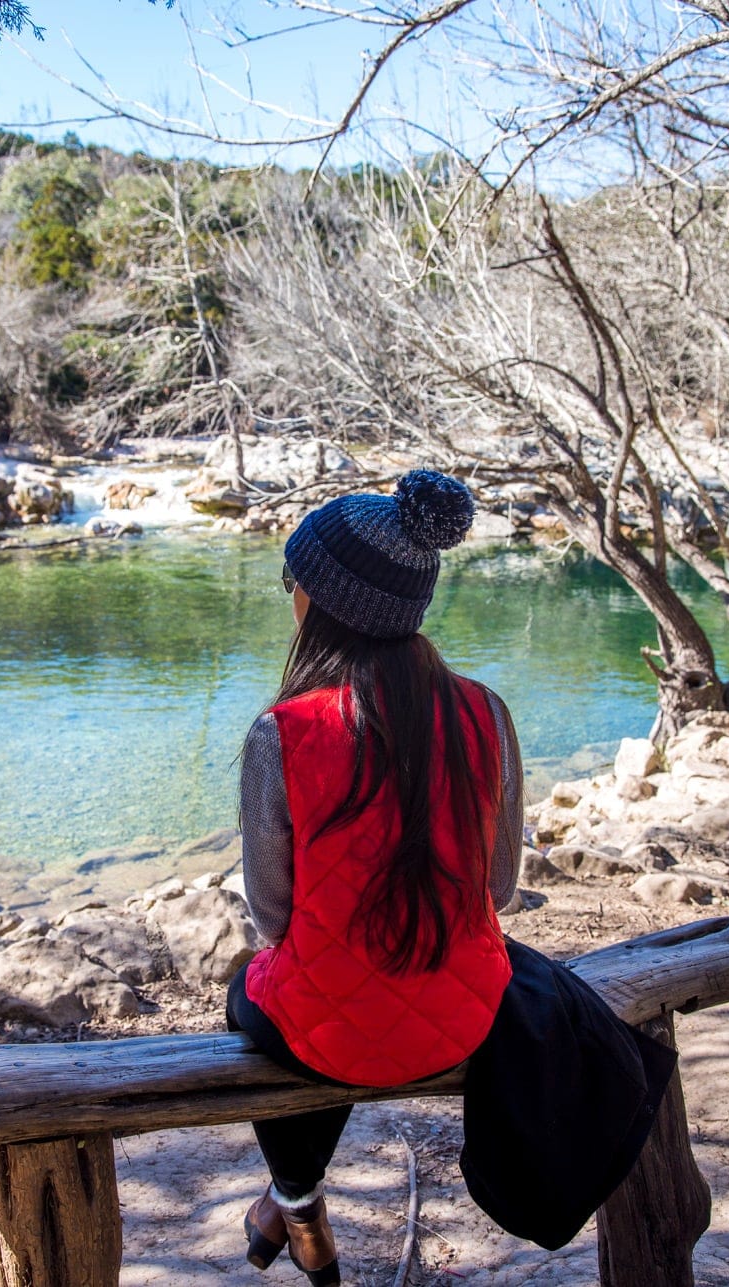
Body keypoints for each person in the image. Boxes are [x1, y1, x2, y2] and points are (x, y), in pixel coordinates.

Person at [227, 470, 524, 1287]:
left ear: (322, 600)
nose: (289, 595)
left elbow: (273, 918)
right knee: (337, 992)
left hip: (339, 1035)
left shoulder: (279, 733)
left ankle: (295, 1198)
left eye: (294, 580)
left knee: (259, 990)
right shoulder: (487, 712)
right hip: (463, 1015)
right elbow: (498, 894)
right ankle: (288, 1204)